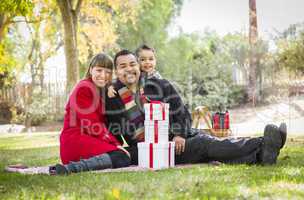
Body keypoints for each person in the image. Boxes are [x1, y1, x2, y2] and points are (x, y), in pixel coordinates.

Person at [104, 49, 287, 166]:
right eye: (122, 66)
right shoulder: (112, 97)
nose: (128, 69)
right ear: (116, 71)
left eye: (132, 64)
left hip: (178, 139)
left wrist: (179, 134)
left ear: (139, 66)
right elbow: (112, 132)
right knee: (204, 145)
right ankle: (264, 143)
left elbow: (181, 112)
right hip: (152, 150)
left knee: (206, 144)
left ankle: (262, 154)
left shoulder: (159, 85)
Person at [50, 53, 131, 175]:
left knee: (123, 156)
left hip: (90, 139)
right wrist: (115, 145)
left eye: (108, 72)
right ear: (91, 69)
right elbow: (91, 123)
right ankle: (69, 169)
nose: (103, 75)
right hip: (76, 140)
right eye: (99, 70)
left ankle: (70, 168)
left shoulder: (100, 90)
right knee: (121, 156)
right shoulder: (83, 88)